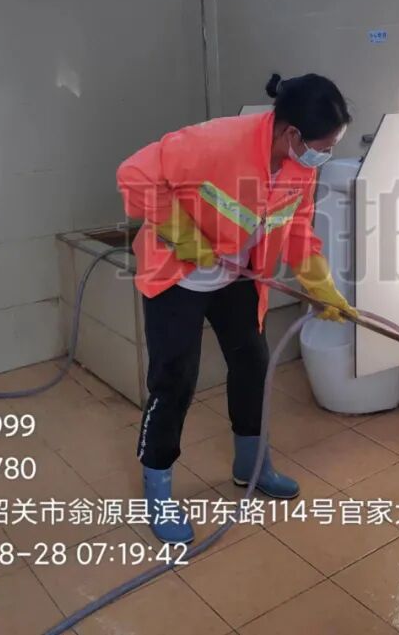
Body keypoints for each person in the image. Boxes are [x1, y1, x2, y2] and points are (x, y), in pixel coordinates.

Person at [116, 72, 355, 543]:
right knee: (175, 380)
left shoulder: (300, 165)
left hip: (236, 276)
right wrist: (181, 233)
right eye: (323, 146)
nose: (324, 155)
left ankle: (252, 465)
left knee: (253, 367)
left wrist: (321, 284)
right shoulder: (217, 142)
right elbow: (134, 174)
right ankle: (157, 488)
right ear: (292, 133)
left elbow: (298, 227)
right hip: (179, 275)